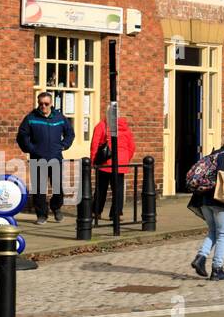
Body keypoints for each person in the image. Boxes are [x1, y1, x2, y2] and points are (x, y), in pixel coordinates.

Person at [188, 133, 224, 281]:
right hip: (220, 200)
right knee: (223, 234)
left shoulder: (212, 155)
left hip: (203, 199)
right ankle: (217, 269)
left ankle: (200, 258)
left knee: (213, 231)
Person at [16, 92, 74, 224]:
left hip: (55, 158)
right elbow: (22, 136)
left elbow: (70, 133)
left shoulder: (59, 117)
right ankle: (42, 215)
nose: (43, 106)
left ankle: (56, 208)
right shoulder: (30, 118)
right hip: (38, 159)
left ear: (51, 104)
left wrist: (64, 145)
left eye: (46, 104)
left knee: (58, 187)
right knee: (39, 189)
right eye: (41, 103)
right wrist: (31, 149)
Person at [88, 116, 136, 222]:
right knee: (118, 190)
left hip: (105, 163)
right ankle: (116, 214)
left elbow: (95, 144)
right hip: (120, 164)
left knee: (101, 189)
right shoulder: (125, 127)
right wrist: (125, 159)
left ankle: (96, 212)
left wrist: (93, 161)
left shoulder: (102, 125)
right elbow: (131, 146)